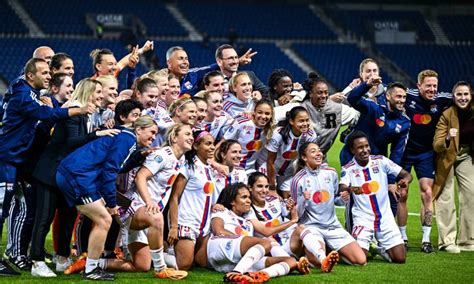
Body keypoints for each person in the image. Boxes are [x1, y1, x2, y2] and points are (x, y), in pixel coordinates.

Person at [0, 58, 94, 275]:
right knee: (3, 210)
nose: (48, 75)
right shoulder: (24, 95)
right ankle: (15, 255)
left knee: (16, 210)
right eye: (43, 72)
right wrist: (77, 111)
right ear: (31, 76)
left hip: (17, 161)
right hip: (7, 160)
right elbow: (46, 114)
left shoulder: (25, 90)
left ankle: (18, 254)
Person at [30, 79, 117, 277]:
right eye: (97, 92)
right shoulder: (75, 111)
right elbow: (72, 142)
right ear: (87, 92)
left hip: (66, 175)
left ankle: (62, 257)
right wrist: (98, 134)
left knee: (68, 218)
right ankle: (36, 262)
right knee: (44, 218)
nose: (100, 96)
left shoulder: (86, 113)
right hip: (49, 173)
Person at [56, 116, 158, 281]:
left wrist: (139, 156)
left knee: (103, 219)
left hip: (75, 173)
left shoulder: (125, 137)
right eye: (152, 132)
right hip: (78, 176)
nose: (153, 137)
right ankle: (90, 269)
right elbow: (110, 171)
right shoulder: (127, 140)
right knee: (104, 220)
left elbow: (115, 166)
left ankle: (91, 267)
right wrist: (111, 203)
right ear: (139, 129)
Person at [103, 124, 192, 279]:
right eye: (187, 134)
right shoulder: (163, 155)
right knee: (156, 217)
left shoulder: (180, 160)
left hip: (144, 212)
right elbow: (141, 177)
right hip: (132, 205)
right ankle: (161, 269)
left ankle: (93, 263)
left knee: (141, 265)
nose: (191, 137)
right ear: (174, 137)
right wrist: (150, 202)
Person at [208, 183, 310, 282]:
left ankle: (259, 276)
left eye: (249, 197)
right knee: (265, 242)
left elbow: (263, 233)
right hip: (220, 247)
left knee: (291, 261)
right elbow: (219, 231)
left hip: (238, 259)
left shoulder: (247, 219)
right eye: (244, 197)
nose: (248, 201)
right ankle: (237, 273)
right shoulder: (222, 211)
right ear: (232, 201)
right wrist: (245, 240)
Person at [399, 69, 452, 253]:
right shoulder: (407, 96)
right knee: (402, 194)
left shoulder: (442, 98)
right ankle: (402, 236)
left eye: (435, 86)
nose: (432, 89)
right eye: (428, 85)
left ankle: (426, 239)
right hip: (405, 153)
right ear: (418, 85)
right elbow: (386, 93)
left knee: (427, 193)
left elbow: (465, 100)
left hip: (426, 154)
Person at [339, 131, 412, 264]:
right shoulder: (348, 169)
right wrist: (350, 189)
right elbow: (342, 187)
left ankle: (379, 248)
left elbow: (406, 174)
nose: (365, 150)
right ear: (352, 150)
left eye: (367, 146)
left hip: (385, 218)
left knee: (400, 258)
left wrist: (405, 181)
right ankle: (368, 246)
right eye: (360, 147)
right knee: (359, 259)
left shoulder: (381, 161)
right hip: (363, 219)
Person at [291, 142, 366, 269]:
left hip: (332, 226)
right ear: (304, 157)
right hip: (312, 227)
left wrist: (342, 199)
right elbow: (295, 215)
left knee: (361, 261)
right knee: (316, 263)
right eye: (313, 151)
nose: (319, 153)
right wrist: (303, 200)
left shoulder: (331, 173)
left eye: (319, 150)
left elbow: (336, 199)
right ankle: (313, 249)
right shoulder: (298, 180)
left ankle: (331, 247)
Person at [433, 81, 474, 253]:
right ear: (453, 96)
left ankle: (467, 241)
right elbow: (437, 145)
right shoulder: (447, 114)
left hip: (467, 155)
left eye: (466, 94)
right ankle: (447, 241)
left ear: (471, 96)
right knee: (445, 196)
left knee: (471, 193)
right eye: (459, 94)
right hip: (447, 155)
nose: (463, 98)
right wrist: (448, 138)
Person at [167, 130, 217, 271]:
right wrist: (174, 226)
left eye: (213, 144)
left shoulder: (209, 168)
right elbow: (174, 196)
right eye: (208, 144)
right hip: (187, 221)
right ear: (196, 146)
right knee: (184, 265)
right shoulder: (188, 166)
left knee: (203, 263)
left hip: (204, 226)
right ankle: (158, 254)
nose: (212, 147)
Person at [301, 73, 359, 155]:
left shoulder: (337, 109)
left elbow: (359, 115)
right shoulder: (300, 108)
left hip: (321, 159)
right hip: (298, 160)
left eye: (326, 92)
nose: (324, 96)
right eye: (320, 92)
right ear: (310, 93)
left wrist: (362, 90)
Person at [266, 106, 317, 198]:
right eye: (301, 121)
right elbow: (270, 161)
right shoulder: (279, 134)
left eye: (307, 120)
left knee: (290, 199)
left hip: (288, 173)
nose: (305, 124)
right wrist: (272, 186)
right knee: (270, 198)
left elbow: (307, 160)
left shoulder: (310, 135)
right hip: (270, 170)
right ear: (291, 121)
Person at [223, 100, 274, 173]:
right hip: (234, 168)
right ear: (254, 112)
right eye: (260, 112)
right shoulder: (242, 123)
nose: (263, 116)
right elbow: (222, 143)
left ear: (271, 115)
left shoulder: (271, 129)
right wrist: (214, 163)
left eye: (267, 113)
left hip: (252, 170)